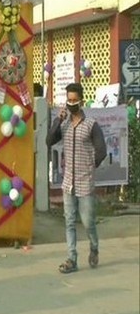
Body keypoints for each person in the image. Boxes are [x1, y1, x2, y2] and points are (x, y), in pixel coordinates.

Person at [46, 83, 107, 274]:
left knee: (88, 222)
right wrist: (58, 119)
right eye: (69, 100)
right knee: (69, 222)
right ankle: (72, 259)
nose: (71, 103)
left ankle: (94, 246)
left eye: (74, 100)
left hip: (85, 182)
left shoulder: (91, 125)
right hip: (68, 182)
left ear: (81, 100)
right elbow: (49, 140)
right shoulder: (64, 125)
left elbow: (102, 151)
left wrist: (91, 166)